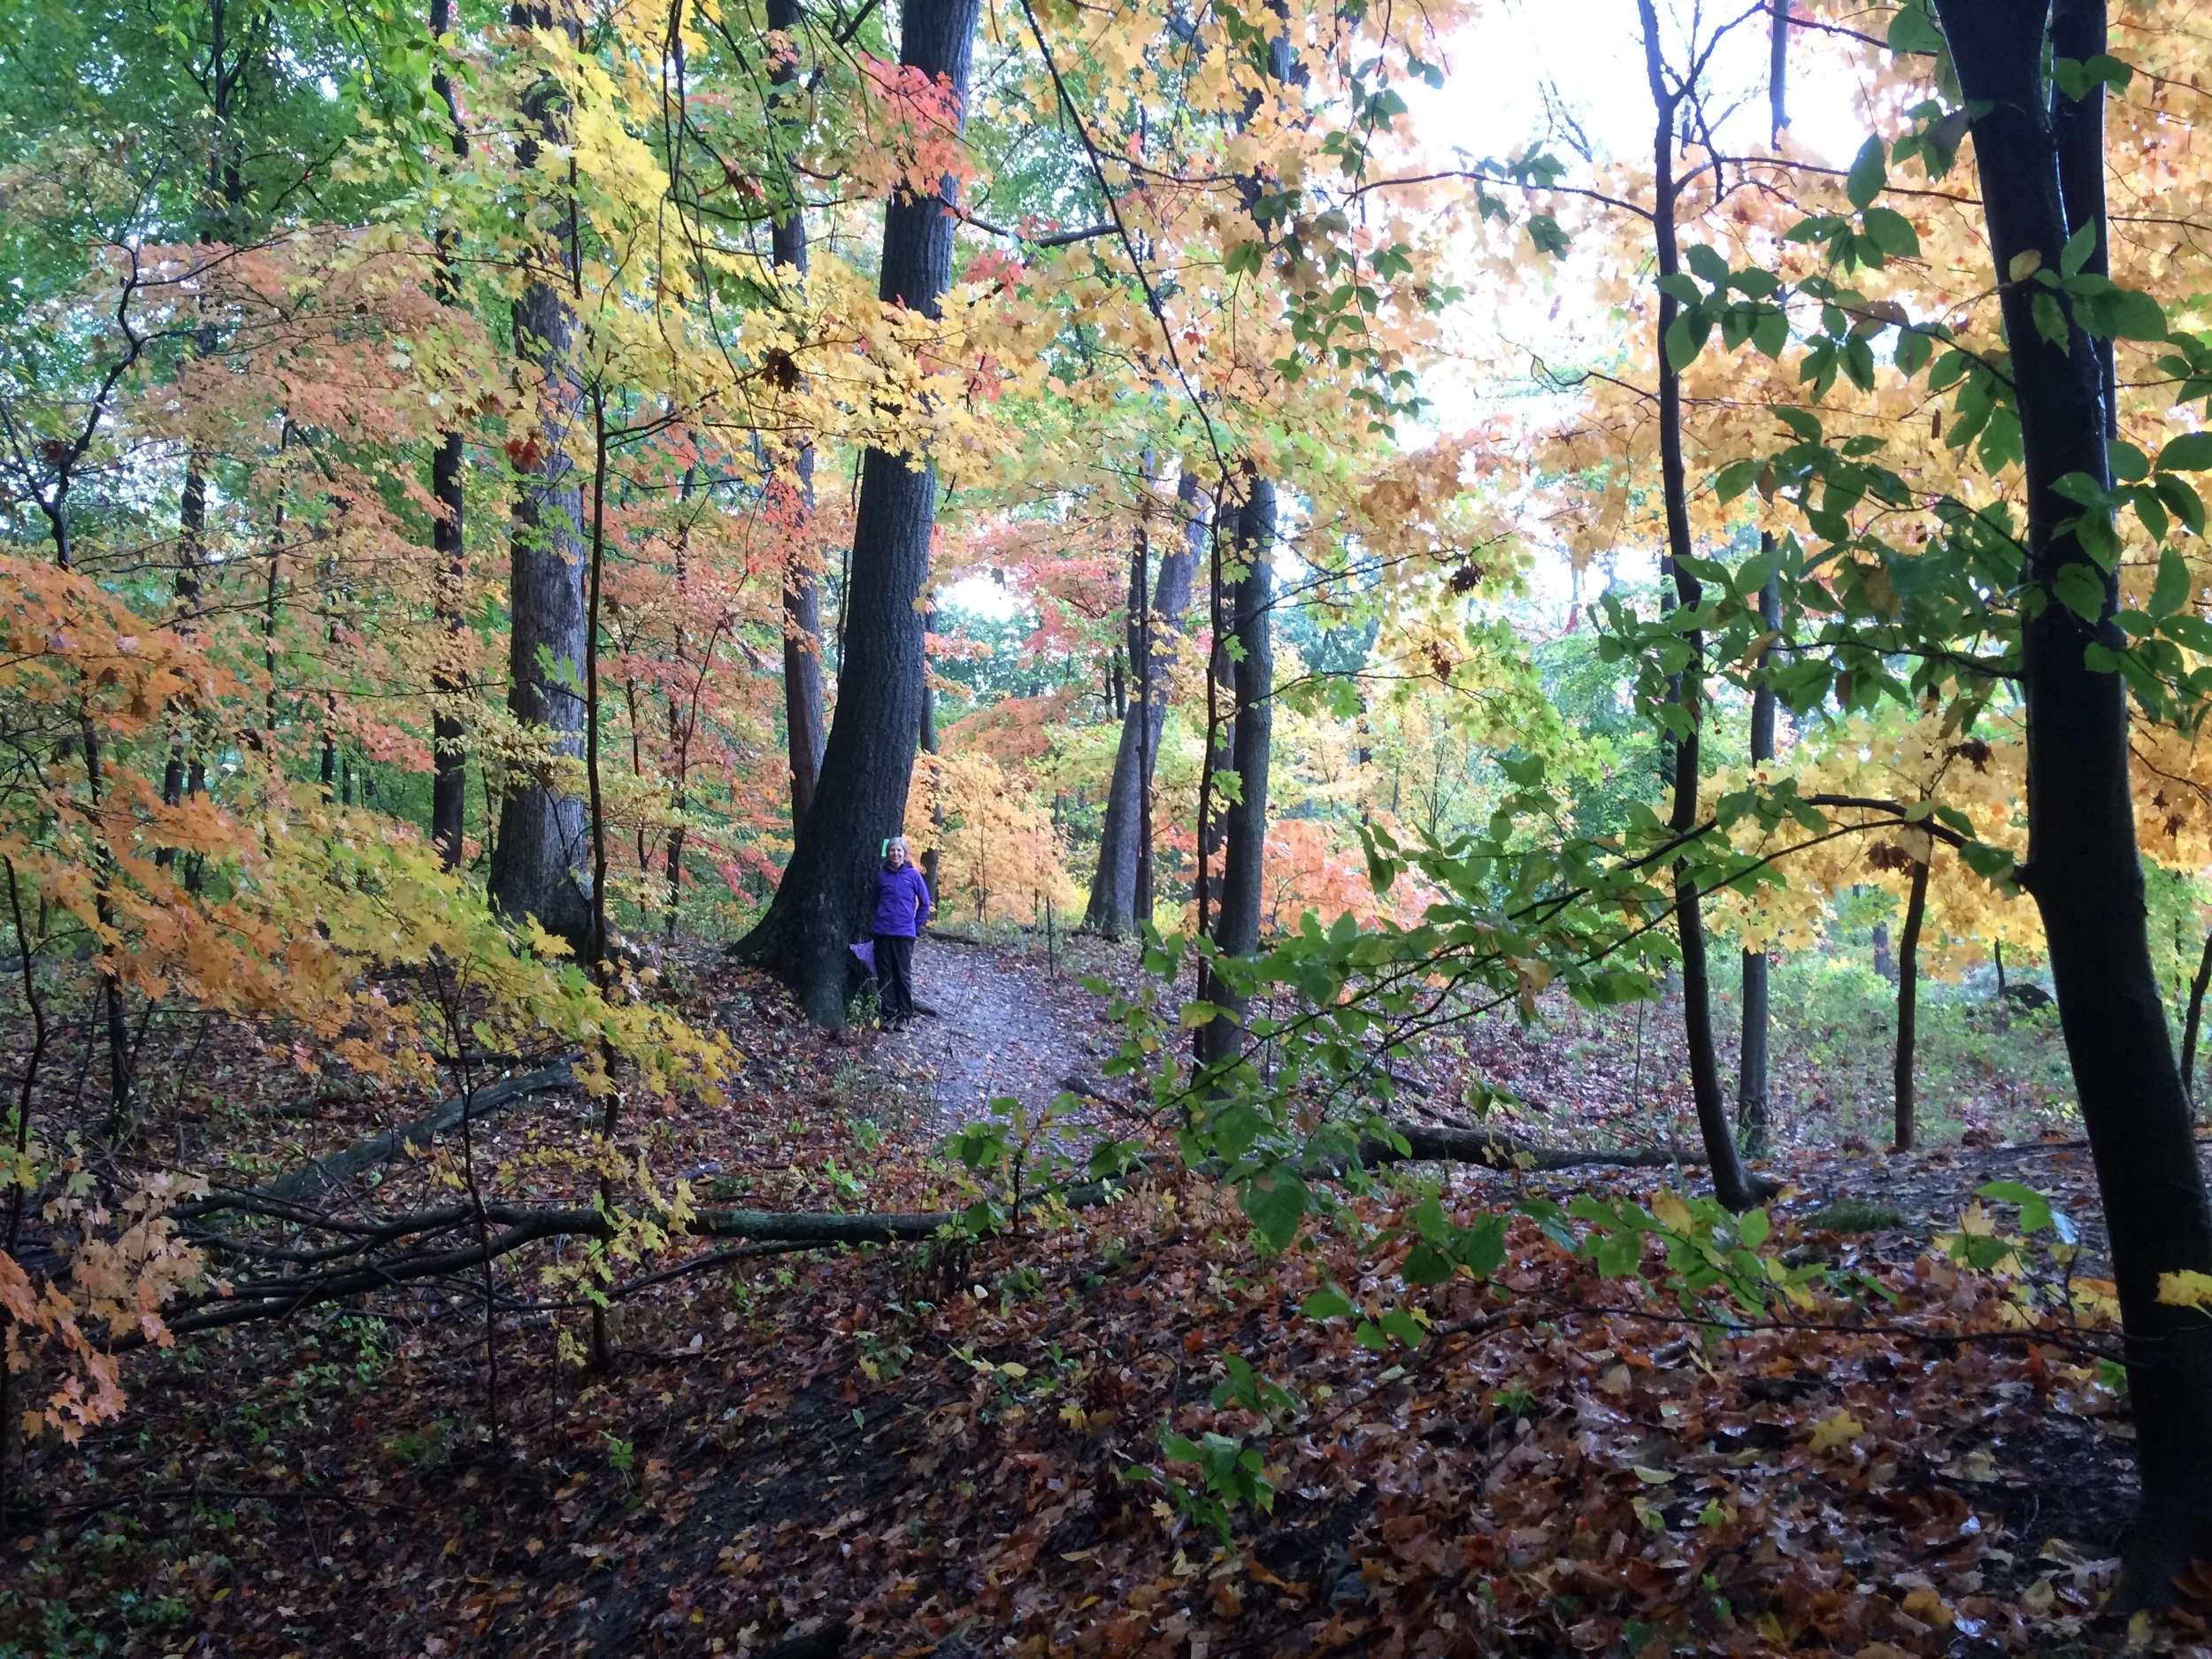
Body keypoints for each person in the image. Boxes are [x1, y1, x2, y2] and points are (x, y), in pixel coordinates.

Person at [872, 837, 932, 1026]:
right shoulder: (881, 876)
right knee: (885, 975)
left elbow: (925, 903)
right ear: (888, 853)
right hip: (882, 932)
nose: (895, 854)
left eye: (899, 851)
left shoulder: (913, 875)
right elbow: (873, 901)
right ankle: (888, 1014)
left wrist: (915, 925)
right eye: (892, 850)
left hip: (904, 934)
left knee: (902, 975)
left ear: (905, 854)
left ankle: (904, 1016)